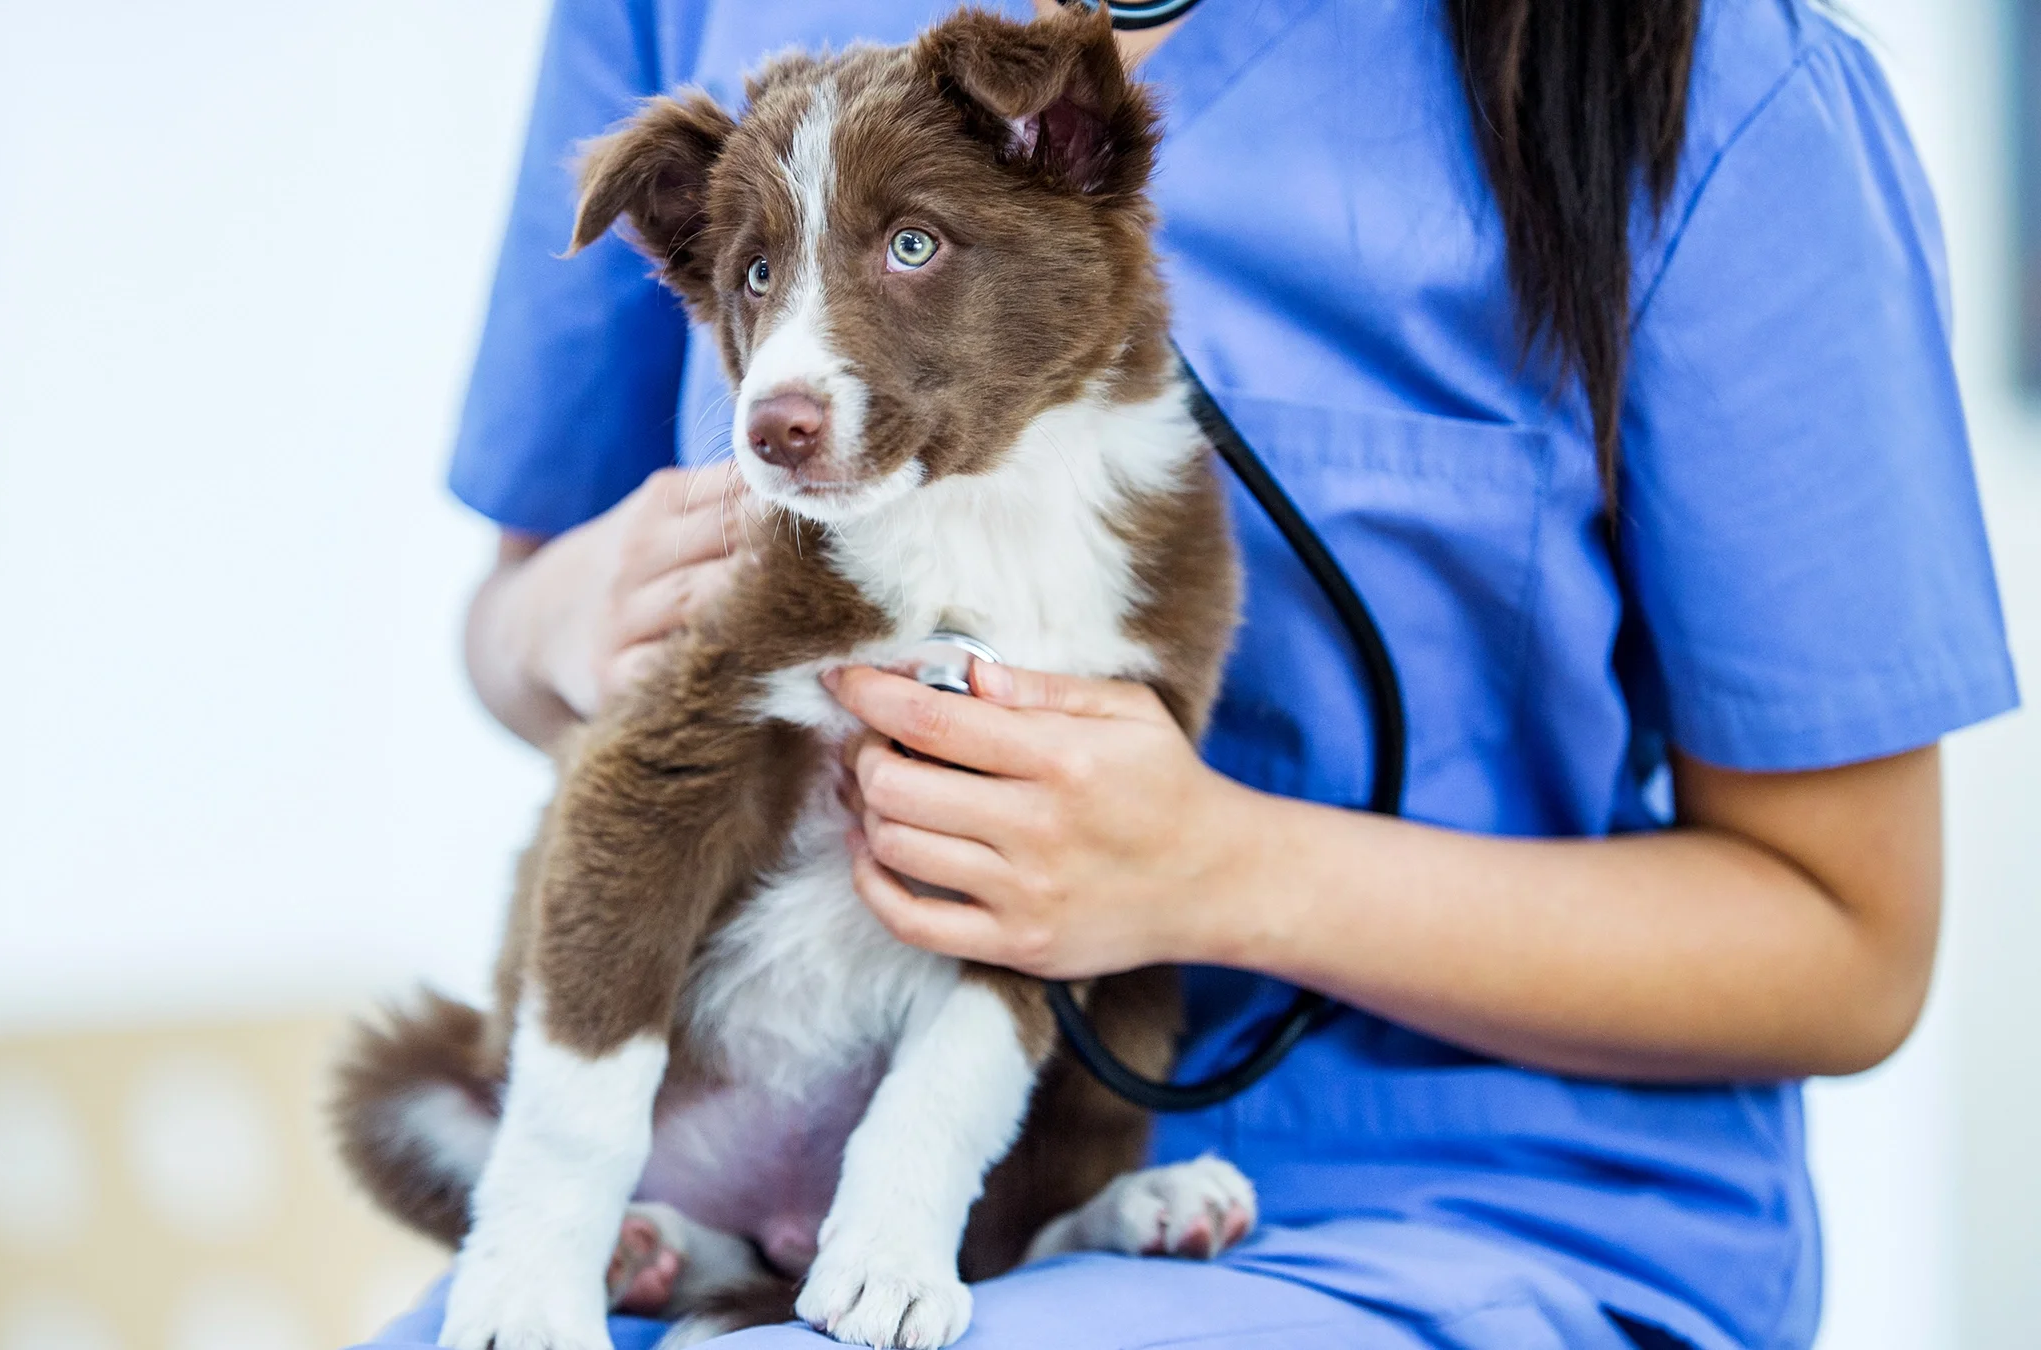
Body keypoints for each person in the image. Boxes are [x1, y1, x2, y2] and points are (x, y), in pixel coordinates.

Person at [361, 0, 2019, 1346]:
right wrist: (561, 621)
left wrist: (1213, 869)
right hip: (748, 1161)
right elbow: (515, 636)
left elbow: (1849, 941)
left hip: (1454, 1213)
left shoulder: (1720, 90)